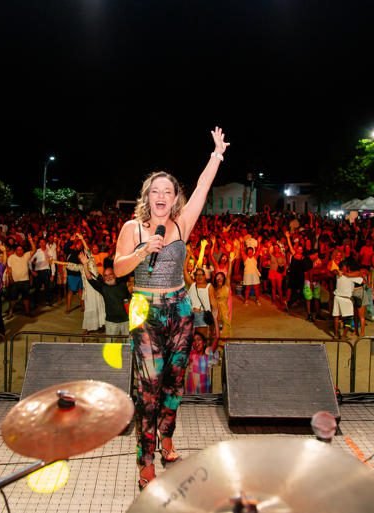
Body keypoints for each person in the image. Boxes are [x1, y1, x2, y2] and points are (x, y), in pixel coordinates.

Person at [113, 126, 228, 491]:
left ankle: (167, 437)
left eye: (168, 191)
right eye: (155, 190)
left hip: (180, 309)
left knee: (175, 382)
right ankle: (145, 460)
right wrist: (142, 251)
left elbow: (203, 186)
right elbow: (118, 268)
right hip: (144, 310)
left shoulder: (182, 223)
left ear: (175, 197)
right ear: (147, 196)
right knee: (148, 387)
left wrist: (216, 155)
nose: (161, 195)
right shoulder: (132, 228)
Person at [79, 255, 131, 336]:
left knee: (127, 342)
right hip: (111, 322)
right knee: (110, 343)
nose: (108, 277)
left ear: (114, 275)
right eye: (106, 275)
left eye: (110, 274)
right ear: (103, 278)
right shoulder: (103, 288)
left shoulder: (123, 284)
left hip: (126, 321)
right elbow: (89, 278)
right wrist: (85, 264)